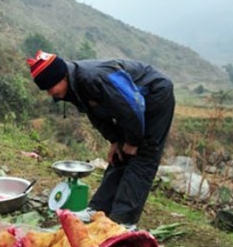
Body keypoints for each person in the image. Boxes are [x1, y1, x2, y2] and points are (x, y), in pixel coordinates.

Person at [27, 50, 175, 227]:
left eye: (50, 87)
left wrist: (133, 141)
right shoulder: (73, 87)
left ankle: (123, 221)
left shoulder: (93, 77)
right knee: (119, 156)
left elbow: (131, 106)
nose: (50, 93)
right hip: (130, 109)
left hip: (154, 96)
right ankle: (98, 210)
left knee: (143, 157)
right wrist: (114, 140)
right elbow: (96, 114)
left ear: (62, 77)